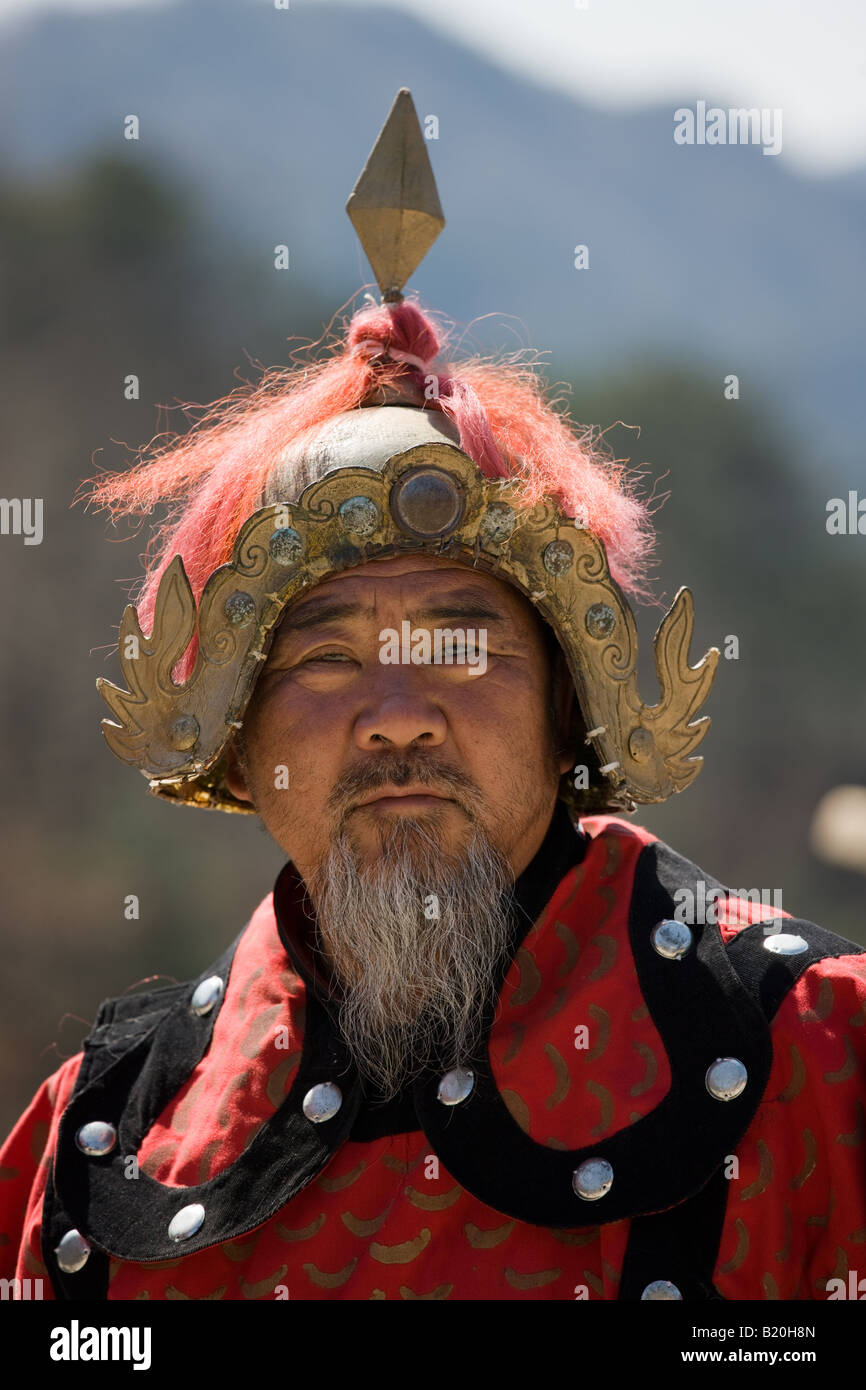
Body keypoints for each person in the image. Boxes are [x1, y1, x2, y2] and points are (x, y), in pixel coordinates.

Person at [1, 90, 864, 1304]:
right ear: (236, 739)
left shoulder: (827, 1060)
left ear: (571, 706)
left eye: (462, 642)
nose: (397, 711)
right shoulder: (91, 1136)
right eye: (323, 655)